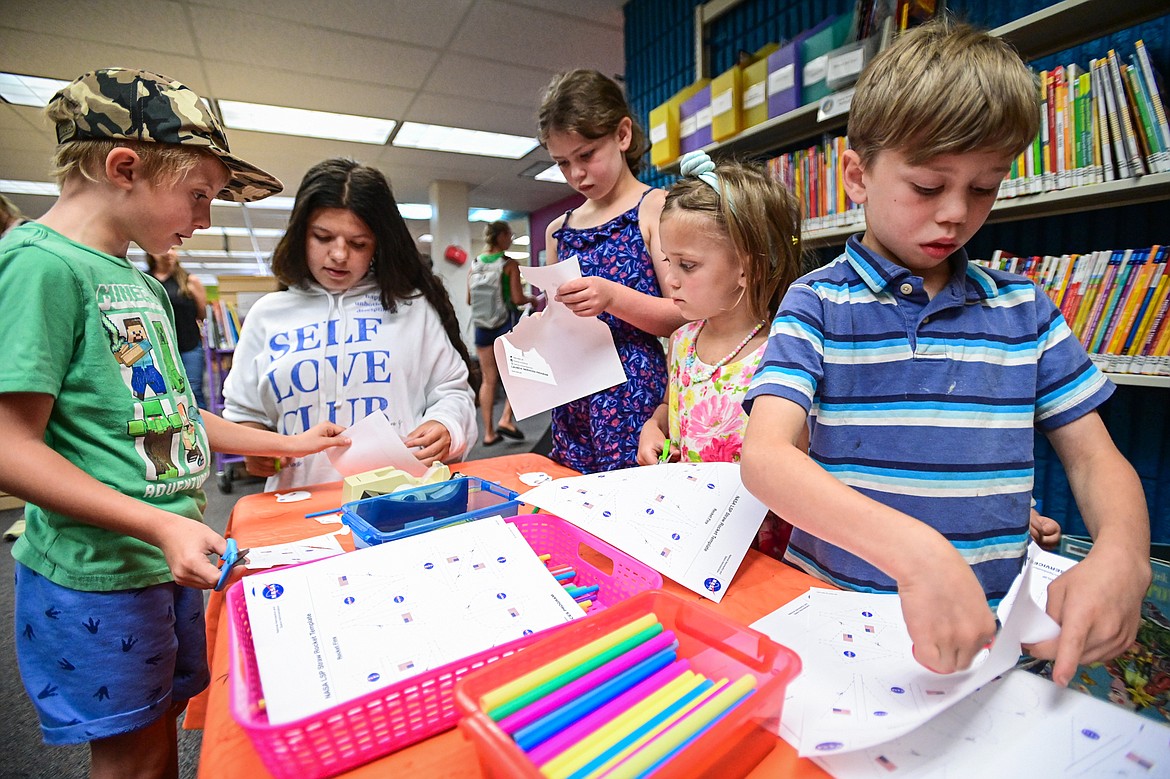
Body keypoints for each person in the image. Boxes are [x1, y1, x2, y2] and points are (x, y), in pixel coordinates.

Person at [740, 20, 1151, 687]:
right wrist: (914, 550)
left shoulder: (1026, 310)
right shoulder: (816, 303)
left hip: (989, 643)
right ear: (856, 174)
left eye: (984, 187)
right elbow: (765, 456)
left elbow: (1095, 456)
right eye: (929, 187)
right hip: (843, 636)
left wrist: (1125, 551)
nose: (956, 214)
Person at [0, 68, 350, 779]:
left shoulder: (139, 280)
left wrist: (289, 442)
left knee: (162, 730)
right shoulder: (39, 267)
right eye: (199, 195)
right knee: (132, 759)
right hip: (100, 576)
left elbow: (172, 413)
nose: (207, 217)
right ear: (124, 167)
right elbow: (9, 445)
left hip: (163, 559)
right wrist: (158, 523)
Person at [222, 157, 478, 491]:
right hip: (300, 501)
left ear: (378, 245)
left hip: (402, 498)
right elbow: (244, 413)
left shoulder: (409, 306)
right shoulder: (267, 314)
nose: (339, 255)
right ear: (301, 235)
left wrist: (446, 425)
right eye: (323, 237)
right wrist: (255, 447)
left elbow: (453, 392)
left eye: (358, 243)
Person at [634, 152, 802, 558]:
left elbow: (799, 462)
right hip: (691, 534)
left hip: (760, 549)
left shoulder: (782, 350)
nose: (670, 280)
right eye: (667, 262)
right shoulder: (682, 340)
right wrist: (654, 427)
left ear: (748, 267)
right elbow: (671, 407)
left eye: (688, 265)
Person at [538, 69, 687, 473]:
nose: (576, 175)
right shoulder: (560, 231)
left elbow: (686, 315)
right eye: (562, 163)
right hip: (575, 396)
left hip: (636, 397)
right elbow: (562, 325)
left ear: (623, 135)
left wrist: (613, 297)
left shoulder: (656, 209)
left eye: (586, 155)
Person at [467, 219, 534, 446]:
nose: (511, 239)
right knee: (517, 374)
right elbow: (517, 298)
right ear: (502, 235)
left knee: (488, 379)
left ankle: (488, 433)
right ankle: (506, 419)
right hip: (504, 325)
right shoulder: (509, 264)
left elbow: (469, 299)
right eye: (510, 235)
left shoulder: (475, 263)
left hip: (481, 329)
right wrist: (531, 298)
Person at [147, 247, 208, 407]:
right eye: (164, 249)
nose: (169, 253)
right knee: (163, 391)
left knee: (194, 390)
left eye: (173, 249)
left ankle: (202, 429)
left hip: (189, 345)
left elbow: (202, 314)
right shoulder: (145, 280)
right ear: (151, 252)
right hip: (157, 347)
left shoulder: (189, 280)